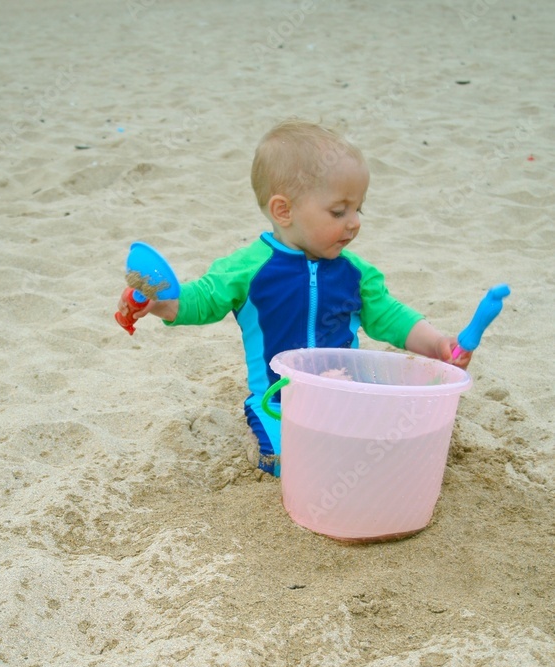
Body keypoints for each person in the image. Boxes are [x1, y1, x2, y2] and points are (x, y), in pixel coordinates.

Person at [117, 119, 472, 475]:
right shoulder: (249, 268)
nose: (354, 223)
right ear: (284, 211)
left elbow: (390, 317)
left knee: (381, 451)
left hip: (344, 392)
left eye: (358, 209)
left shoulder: (355, 273)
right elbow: (203, 299)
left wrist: (437, 344)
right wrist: (161, 303)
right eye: (338, 211)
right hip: (278, 400)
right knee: (292, 465)